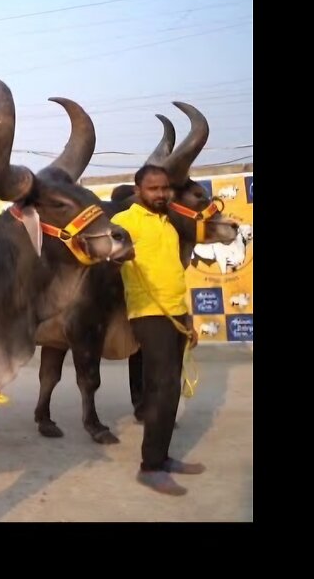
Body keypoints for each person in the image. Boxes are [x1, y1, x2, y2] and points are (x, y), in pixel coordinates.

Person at [111, 164, 205, 496]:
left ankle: (163, 457)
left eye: (165, 188)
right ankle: (150, 467)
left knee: (170, 390)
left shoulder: (169, 224)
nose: (161, 194)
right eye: (153, 189)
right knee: (162, 388)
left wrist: (188, 319)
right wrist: (118, 255)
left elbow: (174, 275)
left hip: (176, 313)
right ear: (139, 191)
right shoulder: (125, 221)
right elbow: (106, 250)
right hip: (149, 314)